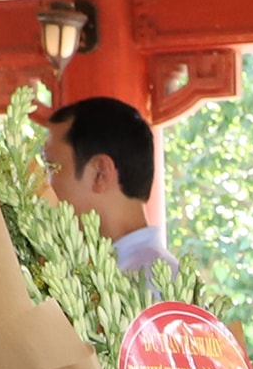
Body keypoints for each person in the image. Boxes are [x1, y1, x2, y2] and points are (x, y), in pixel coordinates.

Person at [41, 95, 165, 277]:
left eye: (50, 167)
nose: (43, 183)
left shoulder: (152, 282)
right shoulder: (98, 269)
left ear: (100, 173)